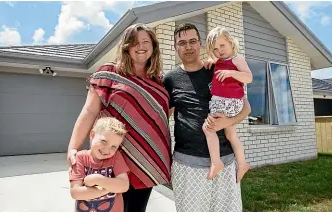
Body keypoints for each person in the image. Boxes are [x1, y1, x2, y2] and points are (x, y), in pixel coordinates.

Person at [67, 23, 171, 212]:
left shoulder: (159, 84)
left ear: (154, 47)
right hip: (110, 159)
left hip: (147, 164)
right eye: (134, 42)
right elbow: (89, 111)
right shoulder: (109, 73)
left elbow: (161, 118)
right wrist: (73, 147)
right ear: (126, 47)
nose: (141, 46)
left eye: (146, 41)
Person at [163, 23, 251, 212]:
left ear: (201, 44)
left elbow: (246, 108)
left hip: (225, 160)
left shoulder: (218, 69)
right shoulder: (170, 79)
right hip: (187, 163)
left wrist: (229, 122)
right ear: (175, 47)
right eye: (182, 43)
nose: (188, 47)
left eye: (193, 41)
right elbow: (163, 118)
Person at [203, 26, 252, 180]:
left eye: (222, 45)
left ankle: (216, 162)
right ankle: (243, 163)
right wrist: (209, 62)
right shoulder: (219, 61)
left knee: (208, 128)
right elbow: (213, 61)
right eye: (215, 49)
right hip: (224, 102)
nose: (220, 51)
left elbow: (249, 77)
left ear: (231, 42)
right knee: (231, 134)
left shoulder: (236, 59)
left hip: (228, 102)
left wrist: (232, 73)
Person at [70, 117, 129, 212]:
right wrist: (106, 189)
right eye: (104, 141)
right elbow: (76, 193)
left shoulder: (116, 157)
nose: (107, 150)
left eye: (114, 147)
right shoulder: (80, 157)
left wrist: (98, 179)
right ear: (92, 135)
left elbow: (124, 186)